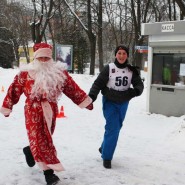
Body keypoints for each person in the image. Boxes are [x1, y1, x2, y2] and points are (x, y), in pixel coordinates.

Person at [0, 42, 93, 185]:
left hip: (50, 109)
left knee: (44, 138)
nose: (43, 61)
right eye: (41, 58)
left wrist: (85, 101)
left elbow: (71, 88)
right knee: (41, 140)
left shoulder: (59, 73)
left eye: (46, 58)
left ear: (51, 59)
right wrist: (7, 106)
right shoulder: (25, 73)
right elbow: (14, 90)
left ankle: (30, 150)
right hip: (32, 110)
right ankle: (49, 173)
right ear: (36, 58)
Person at [88, 45, 144, 169]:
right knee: (113, 127)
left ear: (127, 55)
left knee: (116, 127)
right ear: (115, 55)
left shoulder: (131, 70)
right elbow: (98, 83)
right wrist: (91, 96)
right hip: (110, 101)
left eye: (124, 53)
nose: (121, 56)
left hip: (124, 102)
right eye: (119, 53)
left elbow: (139, 85)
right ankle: (107, 157)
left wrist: (134, 92)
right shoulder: (109, 68)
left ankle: (104, 147)